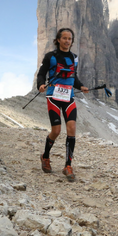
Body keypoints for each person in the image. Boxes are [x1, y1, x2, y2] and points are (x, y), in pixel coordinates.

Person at [37, 28, 89, 181]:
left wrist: (81, 86)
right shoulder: (50, 56)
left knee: (72, 128)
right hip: (53, 96)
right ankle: (45, 156)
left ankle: (68, 166)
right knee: (57, 130)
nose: (67, 41)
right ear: (58, 39)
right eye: (64, 38)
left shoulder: (74, 58)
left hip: (69, 97)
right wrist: (40, 84)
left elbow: (74, 77)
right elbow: (41, 74)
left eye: (70, 39)